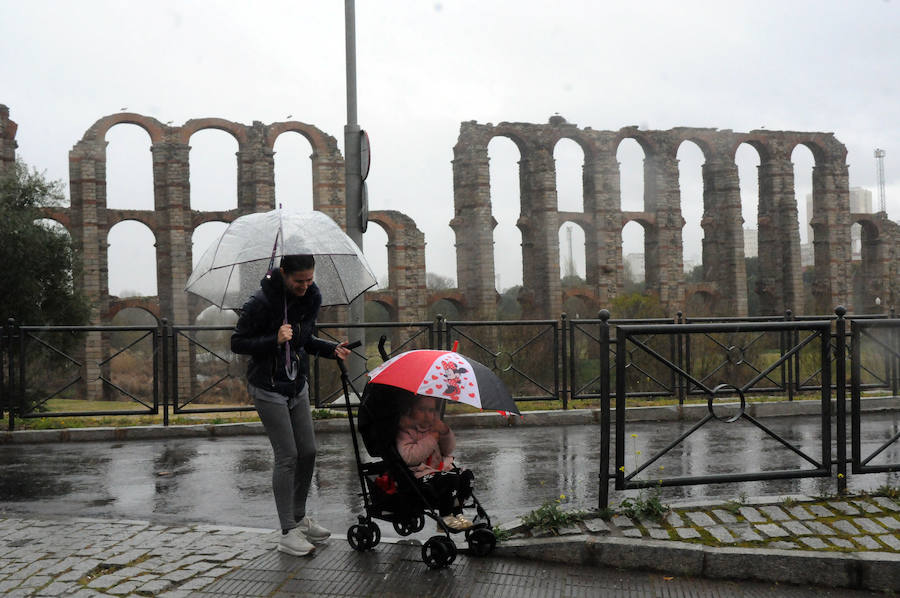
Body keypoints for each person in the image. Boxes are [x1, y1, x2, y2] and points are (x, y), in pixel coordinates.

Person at [231, 254, 351, 557]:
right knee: (287, 455)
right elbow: (238, 343)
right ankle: (287, 531)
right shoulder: (259, 302)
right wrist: (274, 338)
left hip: (296, 384)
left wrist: (330, 349)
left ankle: (299, 517)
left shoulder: (311, 297)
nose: (305, 285)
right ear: (284, 274)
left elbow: (304, 339)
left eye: (309, 279)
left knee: (308, 451)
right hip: (267, 386)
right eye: (299, 281)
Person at [396, 395, 474, 530]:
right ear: (412, 410)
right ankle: (445, 517)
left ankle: (457, 510)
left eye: (431, 410)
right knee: (450, 479)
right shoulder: (406, 431)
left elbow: (447, 450)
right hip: (419, 475)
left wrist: (444, 432)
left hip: (439, 471)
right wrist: (432, 438)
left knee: (467, 475)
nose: (427, 415)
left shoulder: (433, 428)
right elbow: (410, 457)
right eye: (422, 410)